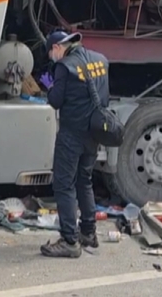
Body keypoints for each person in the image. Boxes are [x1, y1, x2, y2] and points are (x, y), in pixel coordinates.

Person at [38, 29, 111, 258]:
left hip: (72, 134)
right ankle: (88, 232)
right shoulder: (100, 59)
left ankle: (69, 240)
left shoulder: (64, 66)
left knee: (64, 185)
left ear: (57, 47)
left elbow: (56, 101)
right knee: (84, 181)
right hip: (94, 132)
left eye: (51, 52)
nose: (52, 57)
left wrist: (50, 86)